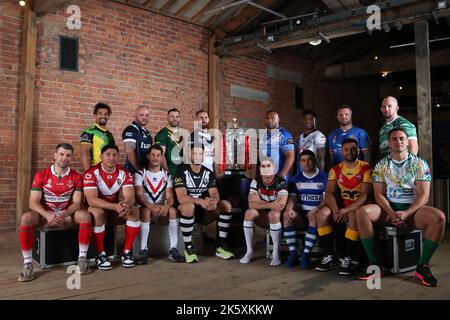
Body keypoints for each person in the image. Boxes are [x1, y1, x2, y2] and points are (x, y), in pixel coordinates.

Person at [356, 128, 445, 287]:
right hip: (388, 211)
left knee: (439, 217)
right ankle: (375, 264)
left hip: (413, 211)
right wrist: (392, 212)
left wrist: (407, 213)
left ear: (407, 141)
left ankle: (422, 266)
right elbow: (379, 194)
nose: (398, 142)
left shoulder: (419, 164)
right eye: (394, 139)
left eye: (402, 138)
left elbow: (424, 195)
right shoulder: (381, 165)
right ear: (389, 143)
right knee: (362, 212)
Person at [18, 143, 92, 281]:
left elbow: (77, 203)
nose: (64, 158)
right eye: (61, 154)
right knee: (26, 218)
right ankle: (27, 264)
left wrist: (63, 214)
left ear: (71, 158)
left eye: (68, 155)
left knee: (85, 215)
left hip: (66, 217)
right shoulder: (41, 175)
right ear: (55, 155)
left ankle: (82, 258)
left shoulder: (76, 177)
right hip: (45, 216)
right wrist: (48, 215)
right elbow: (32, 202)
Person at [316, 138, 372, 276]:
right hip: (341, 206)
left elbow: (365, 195)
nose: (349, 152)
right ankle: (329, 256)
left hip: (359, 208)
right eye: (346, 149)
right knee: (322, 214)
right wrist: (335, 210)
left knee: (353, 215)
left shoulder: (366, 168)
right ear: (341, 151)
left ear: (358, 150)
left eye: (353, 149)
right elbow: (329, 193)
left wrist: (346, 210)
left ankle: (347, 258)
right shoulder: (335, 169)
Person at [174, 144, 235, 263]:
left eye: (200, 154)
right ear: (189, 155)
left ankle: (221, 247)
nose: (197, 156)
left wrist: (213, 201)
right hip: (186, 212)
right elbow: (181, 197)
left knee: (225, 205)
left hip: (204, 212)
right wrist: (201, 201)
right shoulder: (181, 172)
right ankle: (188, 249)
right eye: (194, 153)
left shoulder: (208, 172)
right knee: (188, 206)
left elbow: (214, 193)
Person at [83, 144, 140, 270]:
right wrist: (115, 206)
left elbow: (130, 196)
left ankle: (126, 252)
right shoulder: (91, 173)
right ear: (101, 156)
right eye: (108, 154)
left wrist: (126, 205)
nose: (111, 157)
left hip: (115, 210)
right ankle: (100, 254)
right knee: (98, 213)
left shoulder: (124, 173)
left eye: (114, 155)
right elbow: (92, 200)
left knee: (134, 210)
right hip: (96, 209)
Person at [134, 145, 184, 264]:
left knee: (173, 211)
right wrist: (149, 206)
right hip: (146, 209)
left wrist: (166, 206)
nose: (155, 158)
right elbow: (139, 196)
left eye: (158, 155)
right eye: (153, 155)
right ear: (147, 156)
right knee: (145, 211)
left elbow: (170, 197)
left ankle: (173, 249)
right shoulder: (140, 174)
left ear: (162, 158)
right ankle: (143, 250)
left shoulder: (167, 175)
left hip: (161, 211)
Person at [240, 157, 289, 266]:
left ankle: (276, 253)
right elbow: (251, 204)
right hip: (263, 216)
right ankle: (249, 251)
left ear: (274, 168)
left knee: (274, 214)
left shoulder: (281, 182)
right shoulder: (255, 181)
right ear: (260, 168)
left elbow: (281, 205)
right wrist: (270, 204)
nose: (266, 168)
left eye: (268, 166)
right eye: (263, 166)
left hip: (278, 218)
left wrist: (260, 202)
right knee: (249, 213)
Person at [284, 150, 328, 269]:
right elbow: (292, 199)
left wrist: (317, 209)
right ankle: (293, 255)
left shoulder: (324, 177)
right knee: (287, 216)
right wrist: (289, 209)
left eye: (309, 159)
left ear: (314, 161)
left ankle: (305, 255)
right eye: (303, 160)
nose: (306, 163)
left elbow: (327, 200)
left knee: (314, 217)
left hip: (315, 215)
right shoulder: (295, 179)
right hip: (301, 216)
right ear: (299, 163)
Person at [259, 110, 295, 180]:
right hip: (265, 177)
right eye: (267, 118)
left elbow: (290, 157)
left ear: (278, 120)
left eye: (272, 118)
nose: (269, 120)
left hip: (279, 177)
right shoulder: (263, 135)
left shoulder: (284, 134)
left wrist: (281, 176)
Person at [80, 102, 115, 171]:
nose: (103, 116)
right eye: (100, 113)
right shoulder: (89, 131)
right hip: (96, 171)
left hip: (110, 171)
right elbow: (84, 153)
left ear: (108, 116)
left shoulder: (110, 135)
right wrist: (88, 173)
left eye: (106, 114)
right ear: (95, 115)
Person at [122, 105, 153, 174]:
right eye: (141, 115)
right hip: (132, 173)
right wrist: (140, 170)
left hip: (145, 172)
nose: (144, 117)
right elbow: (129, 151)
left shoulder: (146, 133)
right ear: (135, 116)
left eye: (147, 115)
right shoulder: (131, 130)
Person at [155, 108, 184, 178]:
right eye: (172, 116)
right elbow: (160, 155)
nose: (175, 119)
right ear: (167, 118)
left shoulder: (180, 134)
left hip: (180, 172)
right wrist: (167, 172)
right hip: (169, 172)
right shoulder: (162, 134)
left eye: (177, 117)